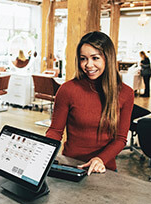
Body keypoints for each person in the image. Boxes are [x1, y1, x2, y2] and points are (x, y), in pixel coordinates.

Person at [46, 31, 134, 175]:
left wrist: (100, 159)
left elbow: (120, 139)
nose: (88, 65)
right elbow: (55, 132)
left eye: (95, 58)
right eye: (83, 59)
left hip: (104, 169)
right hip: (71, 165)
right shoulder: (68, 90)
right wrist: (43, 152)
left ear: (108, 58)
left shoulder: (125, 93)